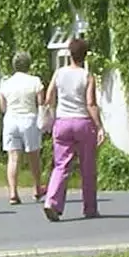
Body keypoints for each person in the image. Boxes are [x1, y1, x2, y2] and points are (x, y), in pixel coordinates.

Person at [41, 37, 105, 221]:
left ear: (70, 53)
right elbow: (91, 103)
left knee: (61, 165)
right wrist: (99, 126)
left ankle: (52, 202)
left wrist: (52, 112)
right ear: (85, 56)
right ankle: (90, 207)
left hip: (62, 122)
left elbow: (49, 96)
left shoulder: (59, 73)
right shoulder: (87, 76)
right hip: (82, 122)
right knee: (88, 167)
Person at [0, 50, 45, 205]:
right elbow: (41, 102)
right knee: (33, 156)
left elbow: (3, 106)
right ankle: (37, 188)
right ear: (28, 64)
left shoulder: (6, 83)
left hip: (11, 120)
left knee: (13, 157)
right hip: (29, 119)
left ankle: (13, 192)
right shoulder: (35, 81)